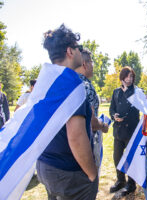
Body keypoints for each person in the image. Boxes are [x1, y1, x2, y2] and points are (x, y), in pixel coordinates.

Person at [36, 24, 98, 200]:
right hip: (68, 172)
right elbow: (76, 137)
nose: (81, 53)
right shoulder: (71, 83)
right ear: (70, 51)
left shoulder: (47, 81)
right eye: (78, 48)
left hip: (45, 164)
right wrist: (92, 174)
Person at [75, 49, 108, 170]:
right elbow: (92, 123)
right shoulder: (86, 86)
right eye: (92, 62)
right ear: (85, 64)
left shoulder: (69, 82)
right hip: (87, 146)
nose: (93, 66)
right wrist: (104, 126)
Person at [109, 66, 139, 196]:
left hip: (131, 130)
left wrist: (127, 91)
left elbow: (135, 104)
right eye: (127, 76)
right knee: (117, 157)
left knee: (130, 158)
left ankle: (131, 184)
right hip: (118, 131)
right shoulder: (116, 92)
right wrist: (113, 116)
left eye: (131, 76)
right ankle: (120, 180)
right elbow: (112, 108)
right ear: (122, 77)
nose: (129, 79)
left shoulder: (137, 91)